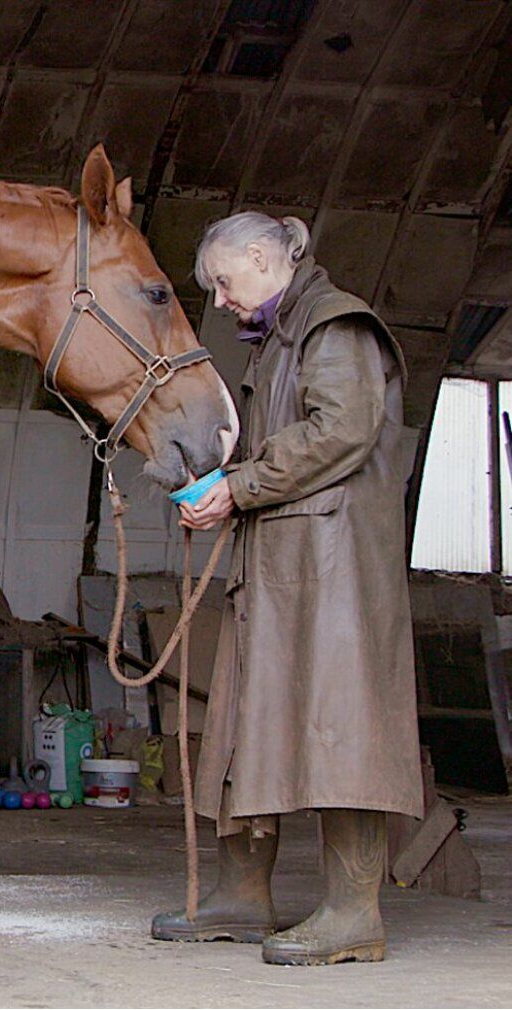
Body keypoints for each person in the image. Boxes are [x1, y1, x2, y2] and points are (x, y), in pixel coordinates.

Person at [151, 213, 422, 966]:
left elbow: (342, 430)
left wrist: (238, 489)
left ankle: (353, 913)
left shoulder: (337, 329)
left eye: (226, 283)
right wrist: (216, 486)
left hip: (335, 573)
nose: (223, 300)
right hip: (277, 569)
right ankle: (246, 896)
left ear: (265, 258)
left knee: (345, 734)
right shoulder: (278, 342)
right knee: (246, 725)